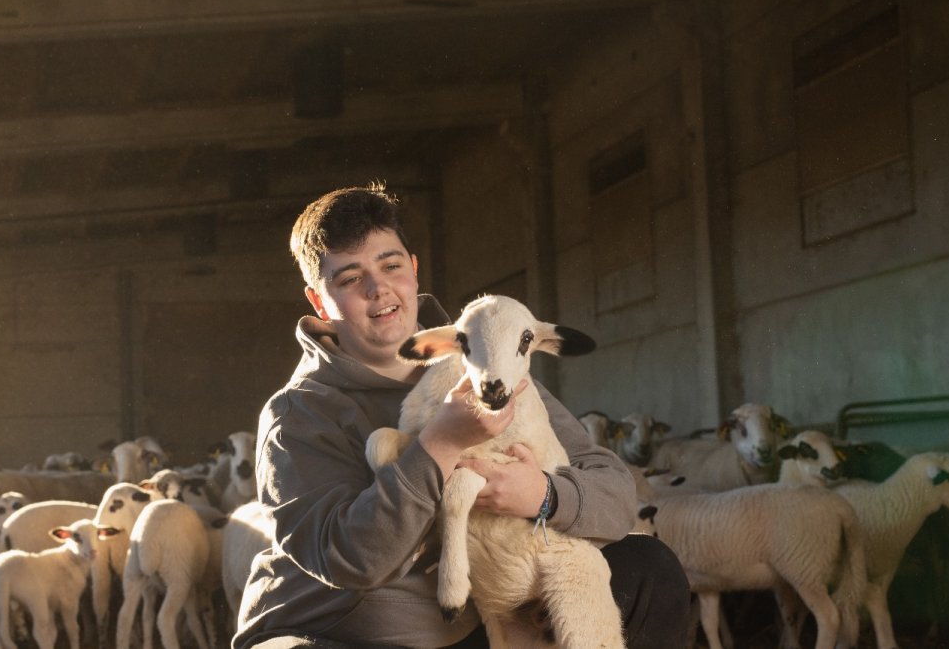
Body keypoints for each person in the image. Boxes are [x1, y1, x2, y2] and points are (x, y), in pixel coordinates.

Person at [234, 184, 690, 649]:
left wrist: (544, 495)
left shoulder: (488, 364)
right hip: (350, 632)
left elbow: (613, 493)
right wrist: (440, 444)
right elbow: (351, 563)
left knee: (648, 567)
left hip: (481, 611)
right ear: (319, 302)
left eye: (391, 265)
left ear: (413, 270)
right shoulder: (298, 415)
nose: (379, 289)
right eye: (350, 278)